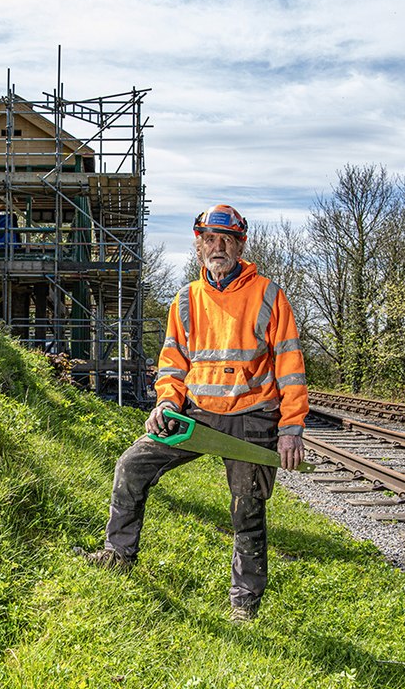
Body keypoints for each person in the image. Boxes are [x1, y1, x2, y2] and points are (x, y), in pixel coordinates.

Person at [79, 204, 309, 623]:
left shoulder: (269, 295)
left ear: (240, 245)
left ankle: (244, 602)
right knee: (132, 465)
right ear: (199, 244)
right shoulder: (186, 299)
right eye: (209, 239)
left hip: (252, 415)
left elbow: (290, 366)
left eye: (226, 239)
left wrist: (291, 428)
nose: (217, 247)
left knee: (248, 508)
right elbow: (172, 363)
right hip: (195, 414)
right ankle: (118, 555)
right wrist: (166, 401)